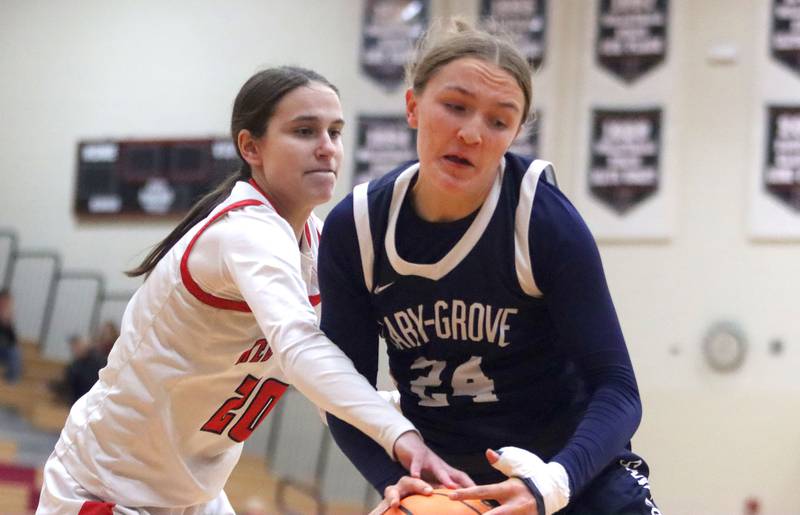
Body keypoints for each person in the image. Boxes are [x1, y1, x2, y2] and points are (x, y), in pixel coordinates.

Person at [37, 66, 468, 515]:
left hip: (196, 496)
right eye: (304, 131)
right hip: (108, 486)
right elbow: (301, 348)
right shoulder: (245, 231)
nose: (327, 147)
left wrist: (422, 412)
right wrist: (398, 436)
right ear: (251, 147)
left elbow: (327, 386)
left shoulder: (317, 247)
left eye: (335, 131)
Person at [319, 21, 661, 515]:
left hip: (571, 476)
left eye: (499, 121)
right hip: (449, 488)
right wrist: (395, 479)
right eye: (455, 106)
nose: (471, 133)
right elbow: (343, 393)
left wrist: (553, 483)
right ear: (413, 106)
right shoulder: (358, 228)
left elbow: (619, 389)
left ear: (515, 134)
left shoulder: (540, 220)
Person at [0, 288, 22, 384]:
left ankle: (11, 380)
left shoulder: (8, 317)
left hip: (3, 348)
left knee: (14, 351)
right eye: (4, 301)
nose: (6, 304)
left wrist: (7, 323)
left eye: (8, 302)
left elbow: (12, 340)